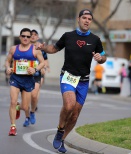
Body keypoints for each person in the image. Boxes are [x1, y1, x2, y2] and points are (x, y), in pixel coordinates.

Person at [36, 9, 107, 153]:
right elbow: (54, 48)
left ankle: (62, 139)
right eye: (84, 18)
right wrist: (44, 47)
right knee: (69, 105)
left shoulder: (95, 40)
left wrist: (101, 59)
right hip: (68, 76)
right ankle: (60, 129)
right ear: (78, 19)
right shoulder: (68, 36)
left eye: (89, 19)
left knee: (75, 114)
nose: (87, 21)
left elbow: (104, 57)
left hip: (84, 80)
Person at [5, 28, 44, 136]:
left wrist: (35, 69)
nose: (25, 38)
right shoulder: (13, 49)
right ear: (20, 37)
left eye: (28, 36)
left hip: (28, 80)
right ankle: (13, 127)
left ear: (30, 38)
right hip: (16, 78)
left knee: (25, 107)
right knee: (12, 101)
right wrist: (8, 68)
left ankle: (19, 107)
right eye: (23, 36)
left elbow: (42, 63)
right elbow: (7, 61)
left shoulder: (35, 50)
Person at [23, 29, 48, 127]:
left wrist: (44, 67)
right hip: (25, 75)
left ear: (37, 37)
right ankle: (27, 117)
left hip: (37, 74)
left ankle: (32, 112)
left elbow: (44, 60)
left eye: (35, 35)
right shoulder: (24, 47)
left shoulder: (40, 48)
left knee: (34, 95)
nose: (32, 36)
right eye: (31, 35)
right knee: (26, 99)